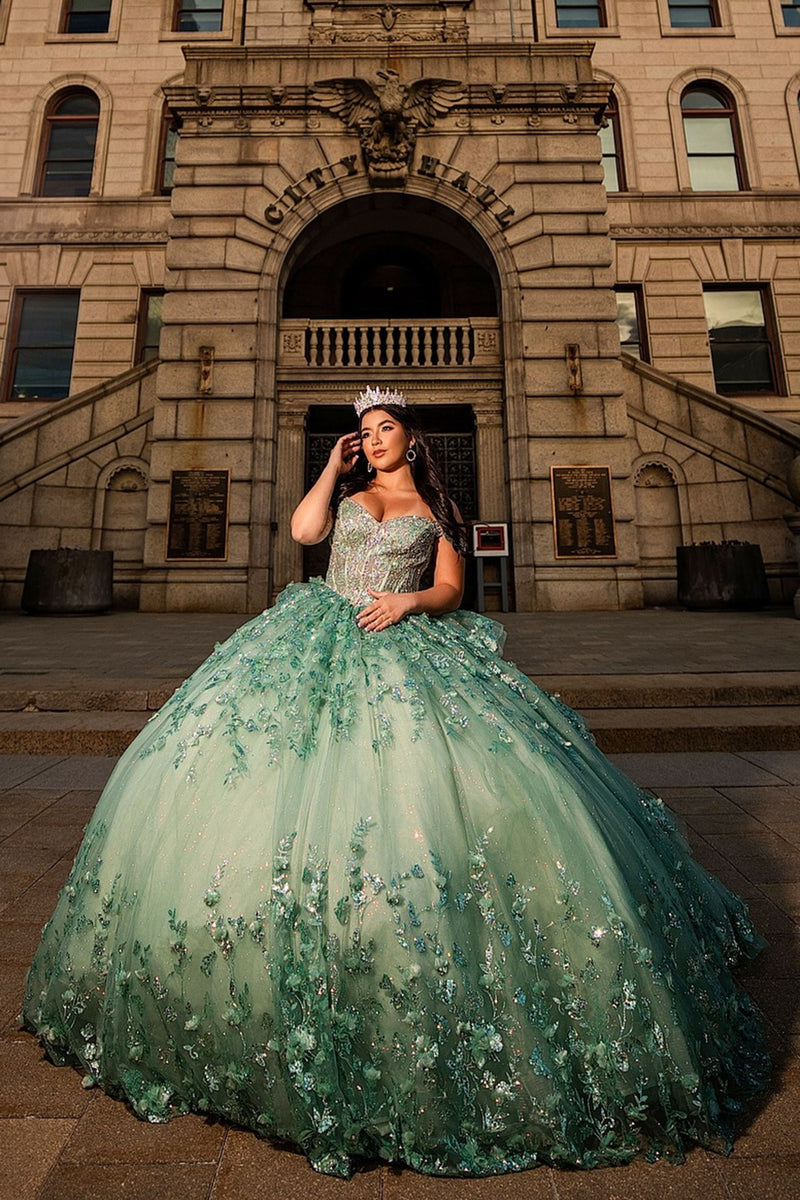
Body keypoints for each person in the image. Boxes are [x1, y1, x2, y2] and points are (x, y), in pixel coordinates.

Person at [23, 386, 768, 1180]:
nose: (373, 439)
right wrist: (328, 468)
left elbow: (450, 590)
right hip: (313, 636)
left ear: (411, 439)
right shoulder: (345, 492)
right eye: (364, 431)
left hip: (399, 643)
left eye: (385, 429)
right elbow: (303, 533)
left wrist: (408, 602)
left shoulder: (436, 511)